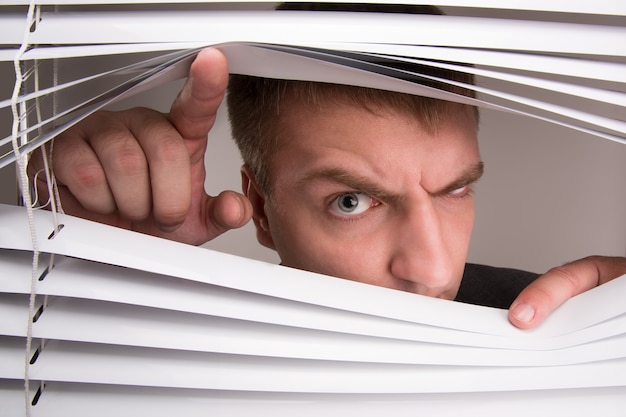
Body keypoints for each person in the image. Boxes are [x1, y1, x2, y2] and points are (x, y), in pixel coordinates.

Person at [29, 29, 626, 330]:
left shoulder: (561, 330)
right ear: (261, 210)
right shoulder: (169, 357)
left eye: (454, 190)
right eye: (351, 200)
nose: (435, 271)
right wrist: (99, 284)